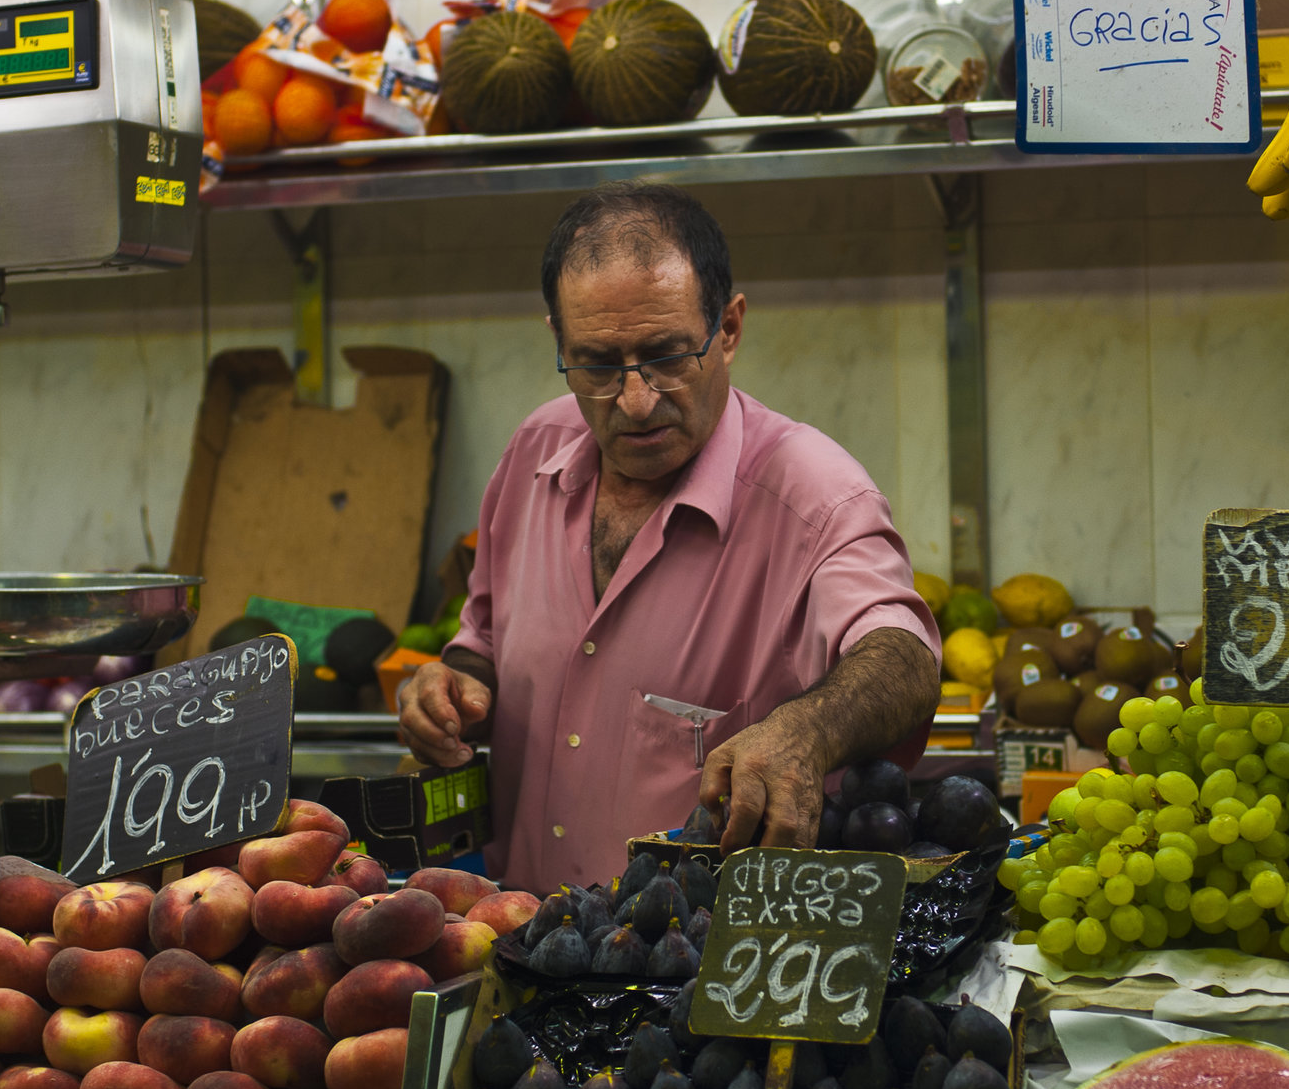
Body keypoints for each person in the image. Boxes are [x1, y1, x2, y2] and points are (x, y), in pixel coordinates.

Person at [395, 182, 941, 894]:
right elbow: (487, 634)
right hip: (520, 943)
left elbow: (904, 658)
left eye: (666, 354)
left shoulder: (814, 495)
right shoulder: (535, 451)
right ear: (557, 340)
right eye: (596, 363)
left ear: (731, 328)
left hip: (691, 975)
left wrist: (807, 730)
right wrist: (453, 685)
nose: (635, 400)